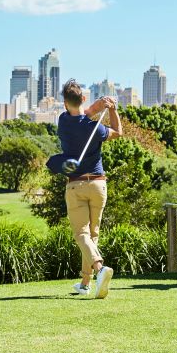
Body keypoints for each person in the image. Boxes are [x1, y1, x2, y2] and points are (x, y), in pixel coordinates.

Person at [58, 79, 122, 298]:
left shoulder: (63, 121)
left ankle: (99, 268)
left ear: (65, 103)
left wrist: (102, 104)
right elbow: (117, 132)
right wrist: (112, 108)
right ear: (83, 98)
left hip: (76, 185)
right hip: (98, 184)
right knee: (92, 235)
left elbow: (83, 111)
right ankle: (85, 284)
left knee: (81, 234)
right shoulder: (96, 128)